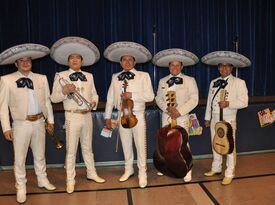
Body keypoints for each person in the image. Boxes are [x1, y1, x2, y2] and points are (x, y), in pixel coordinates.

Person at [0, 44, 56, 203]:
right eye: (21, 60)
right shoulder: (6, 80)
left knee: (40, 154)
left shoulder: (41, 78)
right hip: (20, 124)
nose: (25, 63)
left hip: (39, 122)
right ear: (16, 64)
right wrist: (6, 127)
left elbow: (47, 101)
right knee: (20, 158)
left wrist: (50, 120)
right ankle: (21, 186)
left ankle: (42, 179)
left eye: (28, 60)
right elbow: (2, 107)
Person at [50, 37, 105, 194]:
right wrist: (64, 91)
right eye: (72, 58)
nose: (75, 60)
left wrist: (94, 103)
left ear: (82, 61)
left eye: (78, 58)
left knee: (88, 147)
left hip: (87, 115)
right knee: (71, 150)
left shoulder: (89, 75)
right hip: (71, 116)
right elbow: (54, 98)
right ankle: (70, 180)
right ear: (68, 61)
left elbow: (95, 94)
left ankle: (92, 173)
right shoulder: (60, 76)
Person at [104, 41, 154, 188]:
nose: (127, 62)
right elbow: (110, 98)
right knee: (126, 145)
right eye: (124, 60)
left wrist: (132, 94)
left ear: (134, 61)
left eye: (130, 59)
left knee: (140, 145)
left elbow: (150, 96)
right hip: (121, 115)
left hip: (137, 114)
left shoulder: (143, 76)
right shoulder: (115, 77)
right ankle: (128, 169)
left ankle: (142, 173)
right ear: (120, 62)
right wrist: (107, 117)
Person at [202, 51, 250, 185]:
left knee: (229, 147)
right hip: (215, 119)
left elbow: (244, 102)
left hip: (229, 120)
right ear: (218, 68)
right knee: (215, 144)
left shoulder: (239, 82)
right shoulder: (214, 82)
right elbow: (209, 102)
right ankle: (216, 168)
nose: (224, 69)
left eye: (227, 66)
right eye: (221, 66)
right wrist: (208, 118)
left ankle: (229, 172)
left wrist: (229, 103)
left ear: (232, 68)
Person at [153, 48, 199, 182]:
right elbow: (158, 98)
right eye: (172, 65)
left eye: (177, 65)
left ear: (182, 66)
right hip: (166, 116)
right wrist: (166, 109)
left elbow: (194, 99)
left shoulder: (190, 80)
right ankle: (166, 166)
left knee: (183, 143)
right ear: (169, 66)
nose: (175, 67)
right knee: (166, 144)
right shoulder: (162, 81)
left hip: (182, 117)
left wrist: (179, 111)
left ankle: (187, 168)